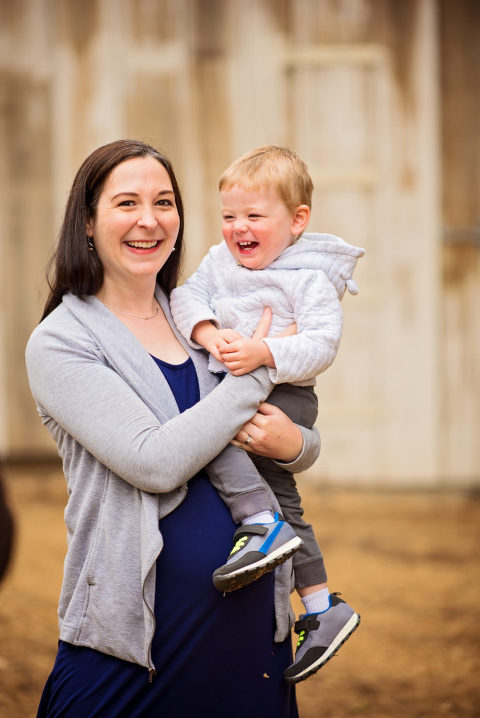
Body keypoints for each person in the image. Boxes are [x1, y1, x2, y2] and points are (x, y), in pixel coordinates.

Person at [25, 139, 323, 718]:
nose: (148, 220)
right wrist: (260, 364)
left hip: (251, 638)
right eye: (126, 203)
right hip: (136, 648)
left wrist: (299, 446)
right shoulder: (63, 341)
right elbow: (154, 462)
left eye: (164, 202)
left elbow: (281, 436)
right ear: (87, 221)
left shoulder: (201, 318)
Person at [170, 145, 364, 684]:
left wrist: (266, 354)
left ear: (297, 221)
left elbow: (323, 343)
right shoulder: (217, 262)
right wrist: (209, 332)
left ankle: (258, 523)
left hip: (285, 394)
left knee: (214, 438)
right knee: (289, 504)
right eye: (230, 216)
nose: (239, 228)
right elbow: (185, 298)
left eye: (255, 216)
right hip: (244, 386)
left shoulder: (306, 279)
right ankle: (323, 608)